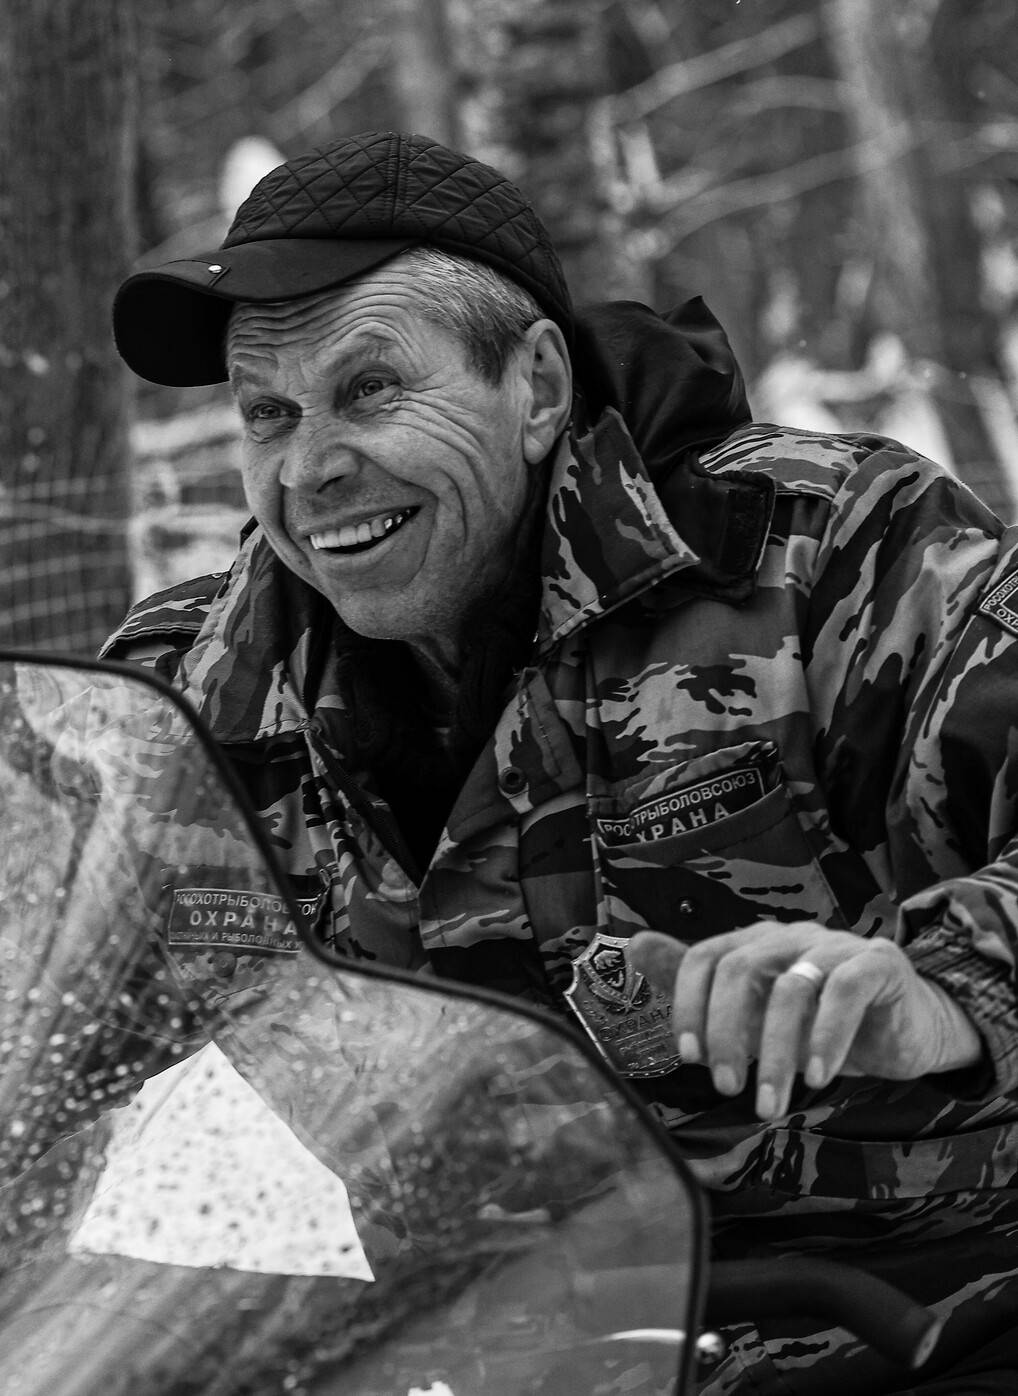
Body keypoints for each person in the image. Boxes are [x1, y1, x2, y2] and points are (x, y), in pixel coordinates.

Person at [109, 129, 1018, 1392]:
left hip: (919, 1320)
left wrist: (944, 995)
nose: (309, 468)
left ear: (536, 388)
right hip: (483, 1359)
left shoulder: (828, 555)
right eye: (269, 412)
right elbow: (3, 996)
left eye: (369, 390)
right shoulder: (189, 693)